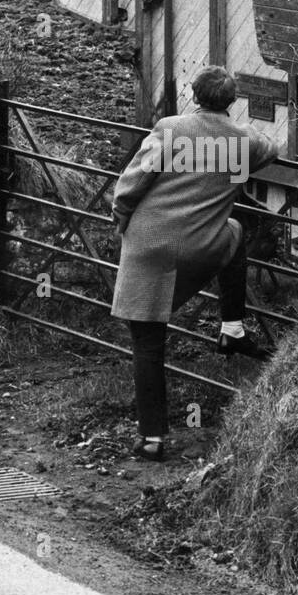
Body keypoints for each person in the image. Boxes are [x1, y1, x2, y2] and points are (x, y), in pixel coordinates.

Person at [110, 66, 280, 462]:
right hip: (202, 246)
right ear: (232, 102)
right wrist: (239, 134)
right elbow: (269, 148)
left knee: (148, 344)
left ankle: (152, 439)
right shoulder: (242, 142)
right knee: (235, 229)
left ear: (193, 95)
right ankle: (232, 327)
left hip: (150, 246)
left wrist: (121, 219)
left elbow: (130, 186)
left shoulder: (170, 128)